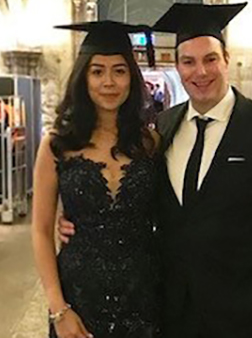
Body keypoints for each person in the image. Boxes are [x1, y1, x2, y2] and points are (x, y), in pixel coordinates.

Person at [61, 3, 252, 338]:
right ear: (177, 66)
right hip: (170, 306)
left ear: (226, 57)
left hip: (241, 309)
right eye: (188, 61)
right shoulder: (163, 127)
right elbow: (141, 197)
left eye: (209, 59)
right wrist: (73, 217)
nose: (200, 72)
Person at [31, 20, 161, 338]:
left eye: (119, 70)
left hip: (144, 296)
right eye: (97, 71)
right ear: (83, 78)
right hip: (78, 297)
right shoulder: (57, 145)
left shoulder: (151, 143)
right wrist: (58, 308)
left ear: (132, 77)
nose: (109, 82)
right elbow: (40, 230)